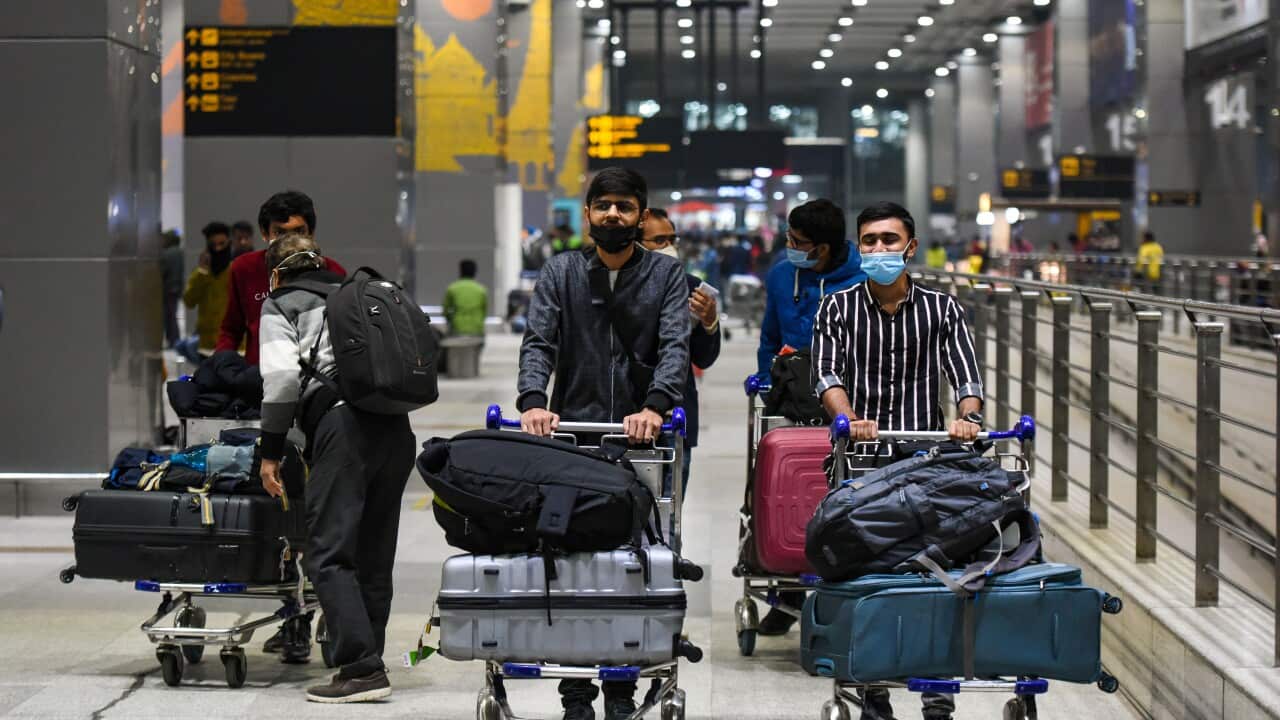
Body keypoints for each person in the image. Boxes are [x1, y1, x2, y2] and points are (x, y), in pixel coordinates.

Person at [518, 167, 690, 720]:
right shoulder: (561, 271)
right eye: (603, 205)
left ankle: (622, 686)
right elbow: (539, 340)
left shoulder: (666, 275)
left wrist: (655, 407)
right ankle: (575, 692)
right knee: (569, 564)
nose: (613, 214)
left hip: (640, 440)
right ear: (588, 213)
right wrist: (532, 401)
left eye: (624, 206)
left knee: (633, 565)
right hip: (574, 436)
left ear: (642, 214)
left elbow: (674, 347)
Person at [812, 201, 985, 720]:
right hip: (862, 462)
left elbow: (966, 375)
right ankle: (871, 690)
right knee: (866, 576)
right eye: (869, 241)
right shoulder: (836, 306)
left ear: (910, 247)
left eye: (890, 240)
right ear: (858, 248)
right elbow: (826, 375)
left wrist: (967, 417)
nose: (880, 250)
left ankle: (937, 692)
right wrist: (849, 418)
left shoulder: (942, 308)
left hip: (925, 459)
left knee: (940, 572)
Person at [258, 233, 415, 703]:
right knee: (373, 551)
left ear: (275, 273)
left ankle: (361, 669)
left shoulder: (281, 303)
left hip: (342, 427)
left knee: (327, 551)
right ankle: (370, 657)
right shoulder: (355, 294)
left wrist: (270, 450)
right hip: (395, 428)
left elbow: (283, 378)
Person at [641, 208, 722, 493]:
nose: (670, 247)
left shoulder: (692, 287)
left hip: (674, 420)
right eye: (659, 240)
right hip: (627, 418)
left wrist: (709, 322)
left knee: (668, 519)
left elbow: (704, 358)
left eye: (672, 239)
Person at [216, 190, 346, 366]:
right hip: (259, 378)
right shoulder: (244, 268)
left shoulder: (333, 271)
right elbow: (231, 329)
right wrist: (219, 366)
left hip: (318, 380)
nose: (290, 240)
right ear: (265, 233)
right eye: (280, 232)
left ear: (311, 233)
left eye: (299, 231)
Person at [754, 198, 865, 382]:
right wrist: (769, 382)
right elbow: (769, 338)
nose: (789, 245)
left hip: (845, 394)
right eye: (789, 236)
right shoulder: (781, 276)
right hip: (789, 393)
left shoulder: (861, 284)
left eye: (796, 241)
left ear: (822, 249)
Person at [178, 221, 233, 363]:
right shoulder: (201, 273)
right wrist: (202, 273)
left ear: (229, 242)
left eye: (222, 244)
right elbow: (189, 301)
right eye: (213, 245)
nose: (218, 249)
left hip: (235, 343)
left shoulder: (236, 270)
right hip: (207, 344)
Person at [443, 259, 489, 337]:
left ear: (460, 271)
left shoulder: (452, 288)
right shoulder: (481, 290)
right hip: (477, 328)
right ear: (475, 272)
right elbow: (484, 311)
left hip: (457, 328)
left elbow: (445, 310)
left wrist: (450, 321)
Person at [160, 229, 184, 348]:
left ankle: (173, 339)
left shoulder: (166, 254)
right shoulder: (180, 252)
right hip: (176, 287)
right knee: (172, 315)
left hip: (167, 288)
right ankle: (174, 339)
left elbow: (162, 271)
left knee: (168, 316)